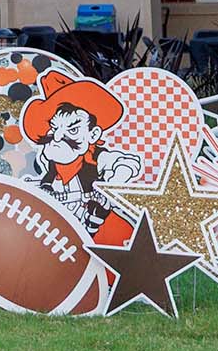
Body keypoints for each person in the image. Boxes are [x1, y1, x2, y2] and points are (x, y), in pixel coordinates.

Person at [21, 69, 141, 246]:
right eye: (54, 129)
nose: (58, 137)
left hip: (106, 239)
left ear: (93, 134)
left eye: (73, 130)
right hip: (61, 242)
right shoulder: (47, 171)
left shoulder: (97, 159)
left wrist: (113, 184)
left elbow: (126, 163)